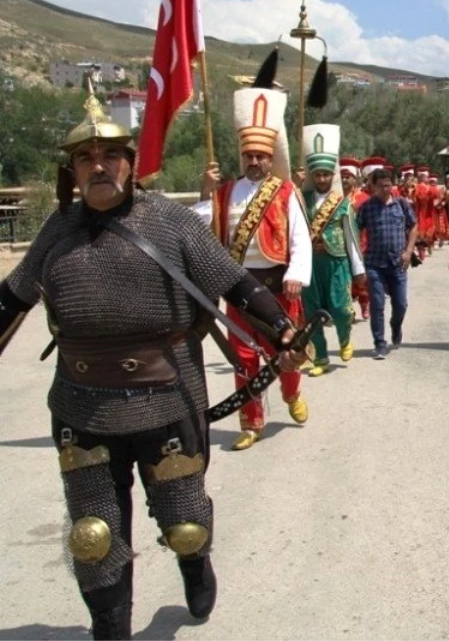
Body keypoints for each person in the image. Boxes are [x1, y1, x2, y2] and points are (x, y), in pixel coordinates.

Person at [0, 86, 304, 637]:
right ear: (72, 170)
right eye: (87, 158)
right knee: (93, 534)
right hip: (81, 402)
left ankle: (194, 562)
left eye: (111, 155)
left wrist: (279, 326)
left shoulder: (171, 222)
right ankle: (110, 631)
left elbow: (232, 281)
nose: (100, 166)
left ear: (130, 164)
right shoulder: (56, 230)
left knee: (185, 521)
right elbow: (11, 300)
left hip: (167, 394)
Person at [196, 60, 312, 452]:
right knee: (244, 355)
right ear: (242, 156)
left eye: (261, 156)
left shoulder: (284, 191)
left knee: (287, 351)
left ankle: (292, 393)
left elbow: (300, 237)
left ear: (269, 157)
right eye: (249, 156)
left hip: (280, 283)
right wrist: (203, 192)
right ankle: (251, 421)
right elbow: (200, 229)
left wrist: (297, 272)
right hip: (240, 286)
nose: (255, 162)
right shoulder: (225, 191)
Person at [301, 125, 366, 376]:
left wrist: (358, 269)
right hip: (310, 264)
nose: (321, 179)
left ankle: (345, 337)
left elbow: (352, 238)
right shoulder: (301, 198)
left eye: (326, 174)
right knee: (313, 311)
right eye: (317, 175)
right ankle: (320, 359)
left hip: (336, 261)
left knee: (340, 308)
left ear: (332, 175)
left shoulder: (342, 203)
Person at [356, 167, 417, 359]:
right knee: (377, 305)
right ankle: (379, 343)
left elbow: (414, 225)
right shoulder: (367, 207)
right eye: (381, 186)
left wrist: (408, 252)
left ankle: (395, 326)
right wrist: (358, 257)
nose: (385, 189)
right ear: (373, 186)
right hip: (374, 264)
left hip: (398, 263)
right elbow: (355, 229)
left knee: (401, 304)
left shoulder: (402, 205)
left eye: (388, 185)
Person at [343, 156, 373, 323]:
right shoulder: (334, 197)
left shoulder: (363, 198)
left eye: (348, 176)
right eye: (343, 176)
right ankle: (348, 310)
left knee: (362, 278)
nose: (345, 179)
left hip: (361, 242)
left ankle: (365, 304)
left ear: (355, 178)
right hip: (340, 244)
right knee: (344, 279)